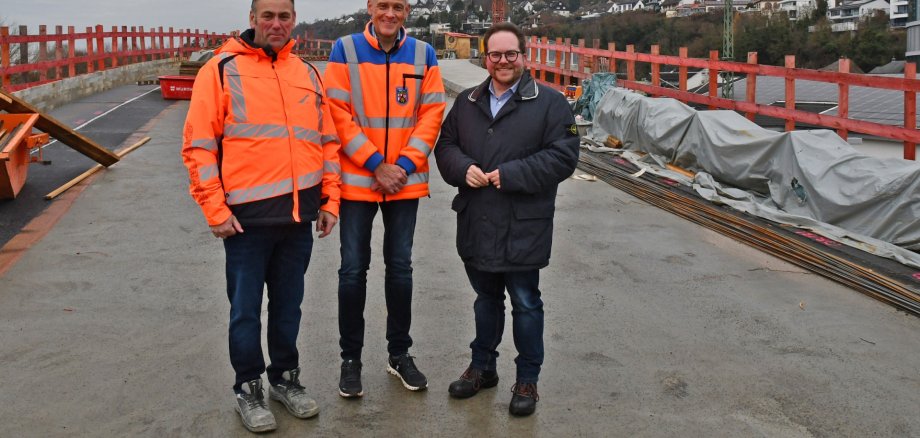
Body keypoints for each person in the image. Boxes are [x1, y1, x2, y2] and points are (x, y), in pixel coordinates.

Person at [181, 0, 341, 432]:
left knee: (289, 308)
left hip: (298, 219)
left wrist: (330, 201)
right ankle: (247, 388)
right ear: (252, 19)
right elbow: (199, 147)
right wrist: (214, 209)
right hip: (245, 223)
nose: (276, 24)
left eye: (284, 16)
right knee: (246, 312)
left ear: (294, 21)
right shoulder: (220, 70)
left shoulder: (307, 73)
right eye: (267, 15)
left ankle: (285, 380)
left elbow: (327, 142)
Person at [434, 22, 580, 417]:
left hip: (523, 224)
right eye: (495, 54)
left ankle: (527, 380)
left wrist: (512, 174)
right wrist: (462, 168)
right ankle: (482, 368)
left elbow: (564, 155)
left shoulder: (551, 103)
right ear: (486, 58)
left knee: (525, 302)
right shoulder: (466, 102)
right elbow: (445, 145)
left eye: (510, 54)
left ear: (523, 56)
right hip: (477, 221)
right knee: (485, 299)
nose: (502, 61)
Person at [323, 0, 446, 398]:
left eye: (398, 6)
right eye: (383, 5)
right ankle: (351, 360)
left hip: (403, 182)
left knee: (400, 269)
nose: (389, 13)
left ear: (407, 11)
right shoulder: (346, 49)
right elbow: (337, 111)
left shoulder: (424, 54)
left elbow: (431, 114)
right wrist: (376, 163)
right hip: (360, 179)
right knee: (352, 270)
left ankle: (399, 354)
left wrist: (404, 166)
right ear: (370, 8)